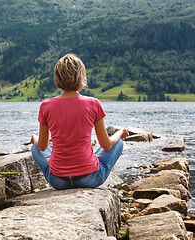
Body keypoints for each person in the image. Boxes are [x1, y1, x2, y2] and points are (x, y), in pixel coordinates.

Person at [30, 53, 129, 190]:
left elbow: (41, 146)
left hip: (58, 181)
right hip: (90, 178)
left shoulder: (46, 106)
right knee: (117, 142)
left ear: (57, 78)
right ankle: (85, 164)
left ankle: (67, 169)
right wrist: (118, 133)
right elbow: (106, 145)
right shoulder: (93, 103)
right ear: (81, 77)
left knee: (35, 147)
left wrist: (35, 138)